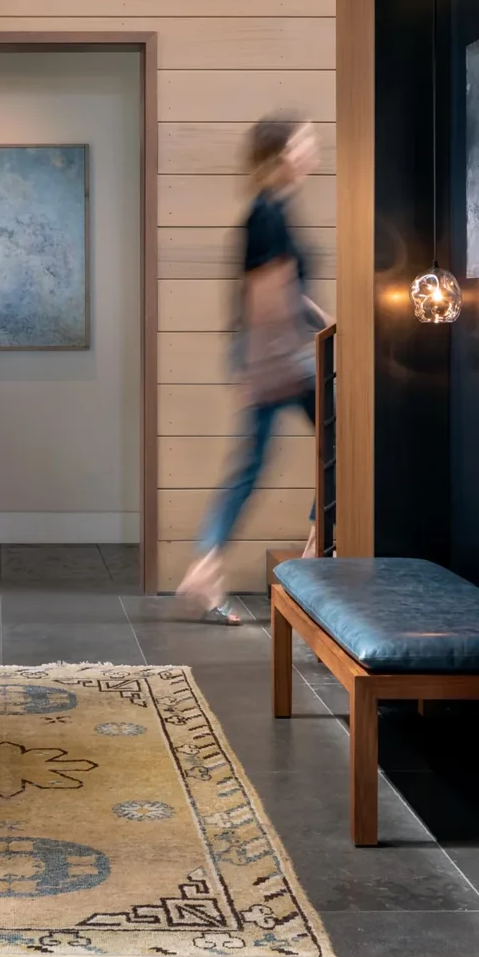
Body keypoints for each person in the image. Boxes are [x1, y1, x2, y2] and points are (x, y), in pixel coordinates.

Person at [175, 118, 326, 624]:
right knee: (347, 443)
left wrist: (326, 323)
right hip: (278, 358)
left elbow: (286, 291)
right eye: (304, 141)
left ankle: (207, 565)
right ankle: (316, 546)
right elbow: (266, 298)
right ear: (282, 153)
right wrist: (272, 365)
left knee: (250, 468)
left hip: (271, 356)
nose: (312, 149)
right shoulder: (266, 214)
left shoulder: (271, 209)